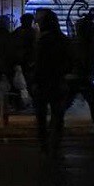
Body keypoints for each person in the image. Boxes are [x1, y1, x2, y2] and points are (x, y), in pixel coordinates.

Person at [33, 8, 72, 155]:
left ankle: (44, 144)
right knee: (57, 115)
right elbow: (70, 61)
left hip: (42, 83)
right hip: (58, 82)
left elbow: (37, 64)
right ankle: (55, 143)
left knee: (41, 117)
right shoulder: (63, 40)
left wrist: (34, 81)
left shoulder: (41, 42)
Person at [12, 13, 37, 107]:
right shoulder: (32, 32)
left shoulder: (17, 31)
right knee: (30, 83)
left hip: (20, 61)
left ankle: (18, 103)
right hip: (29, 62)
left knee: (18, 84)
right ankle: (34, 102)